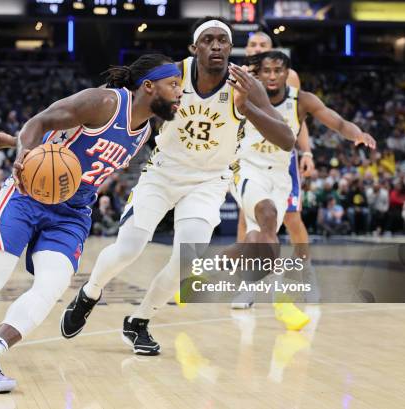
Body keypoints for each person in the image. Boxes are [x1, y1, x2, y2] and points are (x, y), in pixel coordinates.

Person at [0, 54, 183, 392]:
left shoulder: (146, 131)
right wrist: (19, 153)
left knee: (53, 285)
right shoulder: (103, 102)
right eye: (174, 84)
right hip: (28, 196)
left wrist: (8, 139)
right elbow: (40, 123)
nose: (180, 92)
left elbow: (62, 153)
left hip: (72, 212)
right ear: (149, 86)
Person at [60, 17, 295, 355]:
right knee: (129, 248)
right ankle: (90, 292)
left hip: (209, 181)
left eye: (223, 41)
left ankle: (139, 321)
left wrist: (248, 109)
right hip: (163, 172)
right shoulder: (172, 75)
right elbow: (131, 105)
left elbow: (286, 139)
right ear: (194, 48)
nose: (216, 46)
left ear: (230, 48)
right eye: (208, 40)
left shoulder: (245, 85)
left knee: (187, 261)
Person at [227, 51, 375, 326]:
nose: (272, 76)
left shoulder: (300, 100)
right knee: (264, 221)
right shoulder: (244, 91)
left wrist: (357, 134)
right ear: (258, 74)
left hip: (283, 172)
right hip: (247, 168)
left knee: (274, 230)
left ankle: (302, 274)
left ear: (288, 74)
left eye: (278, 71)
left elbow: (337, 122)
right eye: (267, 71)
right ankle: (265, 290)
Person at [234, 31, 318, 311]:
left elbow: (299, 119)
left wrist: (306, 152)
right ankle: (247, 285)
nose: (257, 48)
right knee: (248, 220)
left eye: (263, 45)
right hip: (249, 158)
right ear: (246, 50)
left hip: (282, 159)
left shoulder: (288, 77)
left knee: (293, 217)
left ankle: (306, 273)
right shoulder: (240, 76)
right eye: (253, 44)